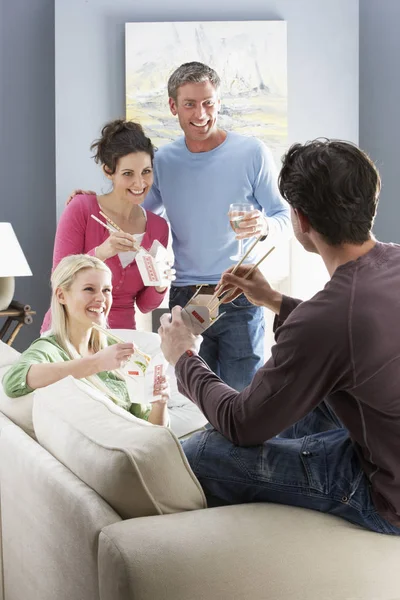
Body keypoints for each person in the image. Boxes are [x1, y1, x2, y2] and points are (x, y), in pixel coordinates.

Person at [158, 139, 400, 535]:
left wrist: (183, 356)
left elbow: (240, 423)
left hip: (387, 496)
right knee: (304, 398)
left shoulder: (330, 316)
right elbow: (350, 333)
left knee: (205, 450)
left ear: (301, 220)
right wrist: (272, 299)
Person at [141, 61, 290, 391]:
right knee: (189, 398)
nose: (201, 113)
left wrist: (263, 224)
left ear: (218, 102)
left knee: (241, 398)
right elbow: (136, 213)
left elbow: (283, 216)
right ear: (173, 106)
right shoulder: (163, 161)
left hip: (239, 291)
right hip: (185, 295)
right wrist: (94, 200)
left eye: (208, 102)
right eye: (190, 104)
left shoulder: (251, 152)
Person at [5, 254, 169, 426]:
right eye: (89, 289)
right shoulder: (50, 349)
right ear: (61, 295)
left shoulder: (114, 348)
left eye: (107, 290)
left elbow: (154, 429)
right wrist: (97, 363)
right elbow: (14, 381)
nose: (101, 298)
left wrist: (160, 403)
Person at [41, 119, 173, 333]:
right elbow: (60, 280)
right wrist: (102, 252)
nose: (140, 184)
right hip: (70, 333)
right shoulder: (82, 208)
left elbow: (144, 304)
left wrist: (160, 283)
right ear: (108, 171)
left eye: (146, 172)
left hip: (121, 340)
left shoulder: (158, 228)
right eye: (128, 174)